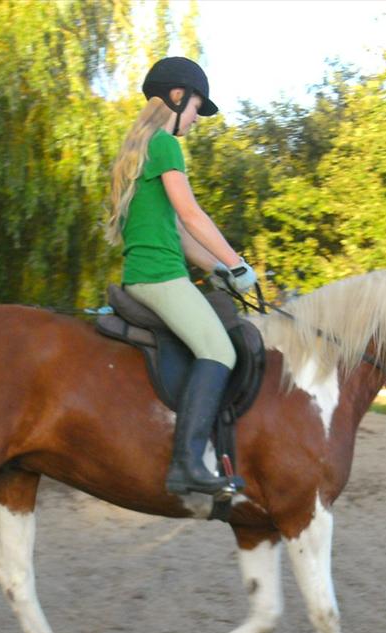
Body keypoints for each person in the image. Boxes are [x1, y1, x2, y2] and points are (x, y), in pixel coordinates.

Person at [105, 56, 256, 497]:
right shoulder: (166, 144)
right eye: (195, 108)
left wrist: (224, 270)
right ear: (177, 96)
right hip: (159, 277)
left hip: (153, 271)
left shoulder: (143, 146)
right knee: (220, 350)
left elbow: (179, 236)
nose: (194, 118)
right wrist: (240, 261)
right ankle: (187, 462)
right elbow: (192, 215)